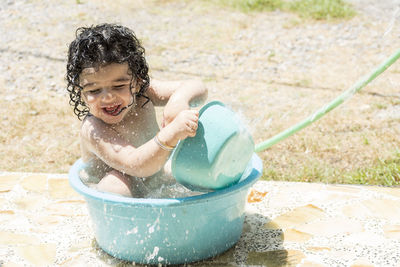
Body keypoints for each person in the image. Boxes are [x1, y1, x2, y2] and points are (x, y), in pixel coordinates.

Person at [66, 23, 207, 197]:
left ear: (138, 82)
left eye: (119, 86)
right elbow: (135, 164)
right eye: (94, 90)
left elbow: (198, 87)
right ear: (80, 93)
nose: (107, 97)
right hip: (123, 182)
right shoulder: (93, 129)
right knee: (115, 185)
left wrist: (179, 100)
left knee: (203, 165)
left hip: (156, 173)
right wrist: (171, 133)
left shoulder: (143, 93)